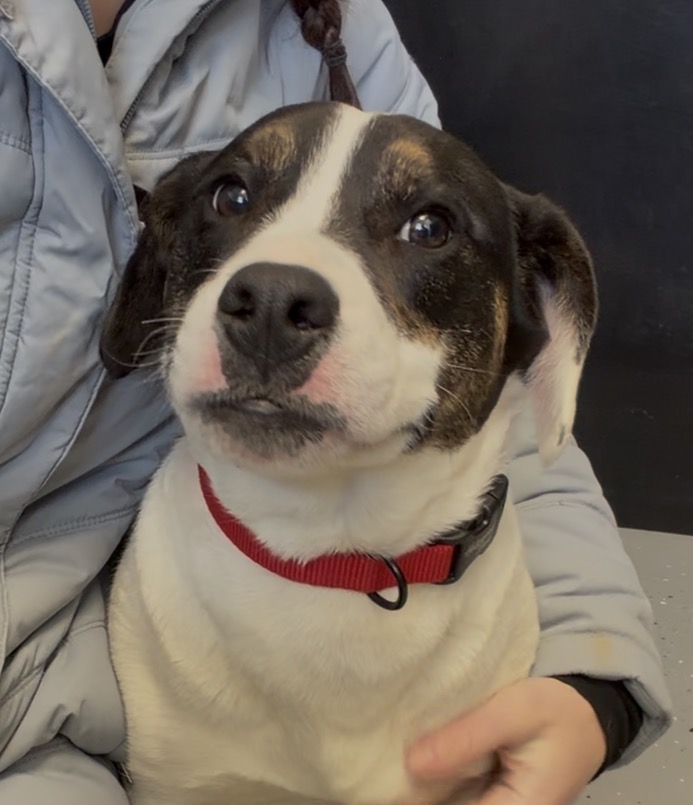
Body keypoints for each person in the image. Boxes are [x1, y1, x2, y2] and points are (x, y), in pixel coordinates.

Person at [0, 1, 671, 803]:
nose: (275, 294)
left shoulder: (338, 29)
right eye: (234, 200)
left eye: (427, 227)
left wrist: (597, 683)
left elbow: (519, 430)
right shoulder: (142, 659)